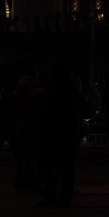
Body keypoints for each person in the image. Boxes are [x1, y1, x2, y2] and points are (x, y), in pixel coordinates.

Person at [37, 66, 87, 207]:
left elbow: (43, 113)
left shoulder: (50, 92)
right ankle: (64, 196)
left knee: (51, 166)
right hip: (68, 134)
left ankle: (51, 195)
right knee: (66, 167)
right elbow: (84, 110)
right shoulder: (73, 93)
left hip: (53, 134)